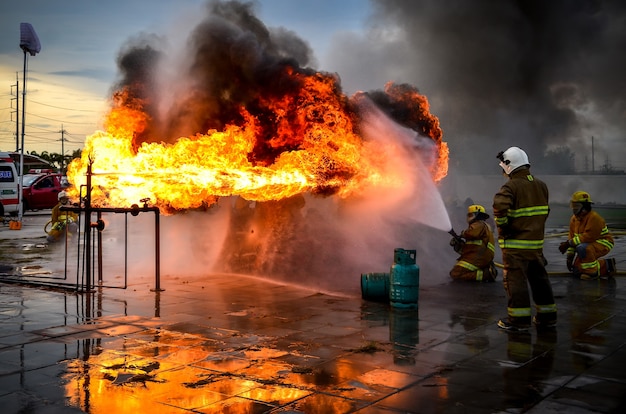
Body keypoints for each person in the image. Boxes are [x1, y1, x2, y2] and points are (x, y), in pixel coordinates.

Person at [493, 146, 556, 331]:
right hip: (535, 244)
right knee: (539, 280)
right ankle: (547, 317)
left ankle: (518, 321)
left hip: (515, 246)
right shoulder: (541, 185)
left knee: (515, 281)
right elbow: (544, 213)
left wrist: (505, 228)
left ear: (509, 165)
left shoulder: (510, 186)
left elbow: (499, 209)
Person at [558, 191, 616, 280]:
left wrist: (568, 243)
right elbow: (572, 237)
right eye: (573, 206)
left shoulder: (594, 218)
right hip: (588, 243)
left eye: (576, 206)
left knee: (582, 248)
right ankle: (608, 265)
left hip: (603, 243)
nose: (574, 209)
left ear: (585, 207)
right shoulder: (574, 219)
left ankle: (592, 273)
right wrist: (570, 256)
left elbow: (588, 237)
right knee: (577, 270)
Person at [449, 204, 497, 282]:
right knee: (455, 273)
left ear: (477, 215)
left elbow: (471, 233)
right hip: (479, 256)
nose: (468, 217)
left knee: (455, 273)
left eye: (470, 215)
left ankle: (486, 274)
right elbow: (470, 249)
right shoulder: (480, 227)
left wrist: (462, 234)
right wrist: (458, 244)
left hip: (480, 257)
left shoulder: (479, 224)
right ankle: (484, 272)